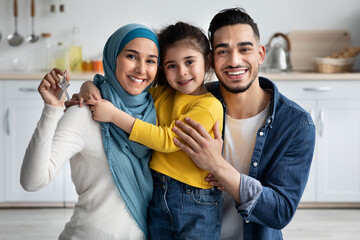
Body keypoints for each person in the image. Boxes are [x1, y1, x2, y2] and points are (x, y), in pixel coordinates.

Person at [171, 8, 316, 240]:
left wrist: (220, 167)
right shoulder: (190, 104)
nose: (234, 60)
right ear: (211, 59)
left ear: (260, 54)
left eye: (244, 49)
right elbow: (137, 96)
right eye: (223, 51)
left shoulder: (296, 125)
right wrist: (92, 86)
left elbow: (280, 212)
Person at [78, 22, 224, 240]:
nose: (182, 72)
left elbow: (168, 140)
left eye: (190, 62)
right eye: (172, 65)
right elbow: (127, 100)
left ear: (208, 61)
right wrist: (88, 87)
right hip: (158, 193)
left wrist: (114, 116)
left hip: (196, 201)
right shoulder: (161, 95)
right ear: (163, 69)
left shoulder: (208, 105)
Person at [20, 23, 160, 239]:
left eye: (150, 60)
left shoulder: (158, 111)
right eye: (131, 56)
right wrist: (52, 110)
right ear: (113, 57)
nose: (142, 69)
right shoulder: (84, 112)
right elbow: (32, 181)